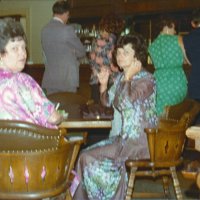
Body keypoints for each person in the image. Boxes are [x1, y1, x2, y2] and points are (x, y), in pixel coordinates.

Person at [74, 34, 158, 200]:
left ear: (137, 56)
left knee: (89, 158)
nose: (120, 56)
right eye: (118, 52)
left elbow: (126, 103)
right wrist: (104, 86)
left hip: (139, 143)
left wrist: (127, 78)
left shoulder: (147, 80)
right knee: (84, 155)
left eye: (125, 52)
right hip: (123, 139)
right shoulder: (121, 78)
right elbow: (109, 105)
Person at [0, 18, 62, 129]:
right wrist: (61, 117)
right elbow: (53, 118)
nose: (22, 53)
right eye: (15, 48)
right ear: (1, 55)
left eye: (23, 47)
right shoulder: (23, 81)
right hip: (38, 145)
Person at [41, 0, 86, 94]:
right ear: (66, 13)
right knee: (69, 107)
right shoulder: (67, 29)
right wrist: (73, 52)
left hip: (50, 79)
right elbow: (82, 51)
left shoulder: (44, 30)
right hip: (67, 79)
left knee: (53, 107)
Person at [148, 16, 188, 116]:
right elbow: (187, 60)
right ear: (168, 26)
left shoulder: (152, 45)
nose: (175, 32)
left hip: (158, 79)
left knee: (160, 111)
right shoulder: (178, 39)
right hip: (175, 79)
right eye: (174, 28)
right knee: (175, 112)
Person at [89, 13, 125, 103]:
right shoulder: (116, 41)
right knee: (110, 110)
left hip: (96, 80)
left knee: (99, 110)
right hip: (112, 81)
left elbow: (92, 60)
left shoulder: (97, 40)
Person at [182, 9, 200, 123]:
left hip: (195, 81)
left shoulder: (187, 39)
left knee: (196, 116)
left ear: (193, 24)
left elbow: (187, 60)